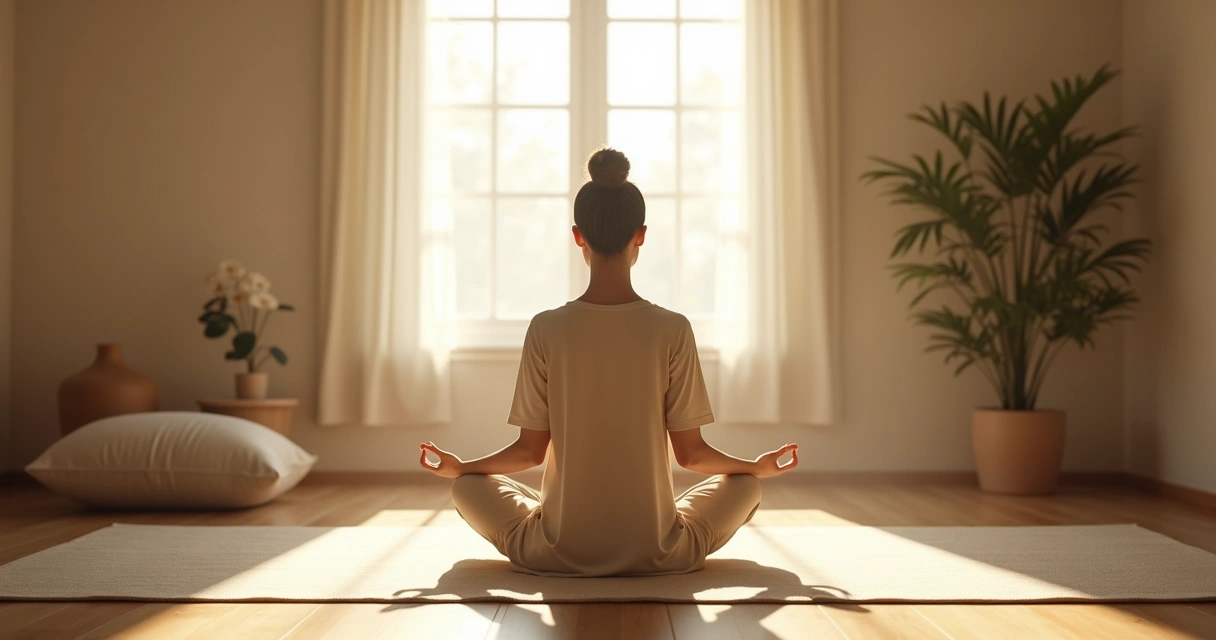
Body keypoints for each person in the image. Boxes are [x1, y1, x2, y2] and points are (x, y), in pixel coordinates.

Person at [418, 148, 799, 577]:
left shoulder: (546, 329)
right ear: (641, 235)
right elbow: (691, 456)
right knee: (745, 486)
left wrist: (461, 467)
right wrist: (756, 466)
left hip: (555, 552)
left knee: (467, 487)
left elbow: (529, 451)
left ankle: (543, 518)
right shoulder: (672, 329)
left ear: (578, 236)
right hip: (660, 551)